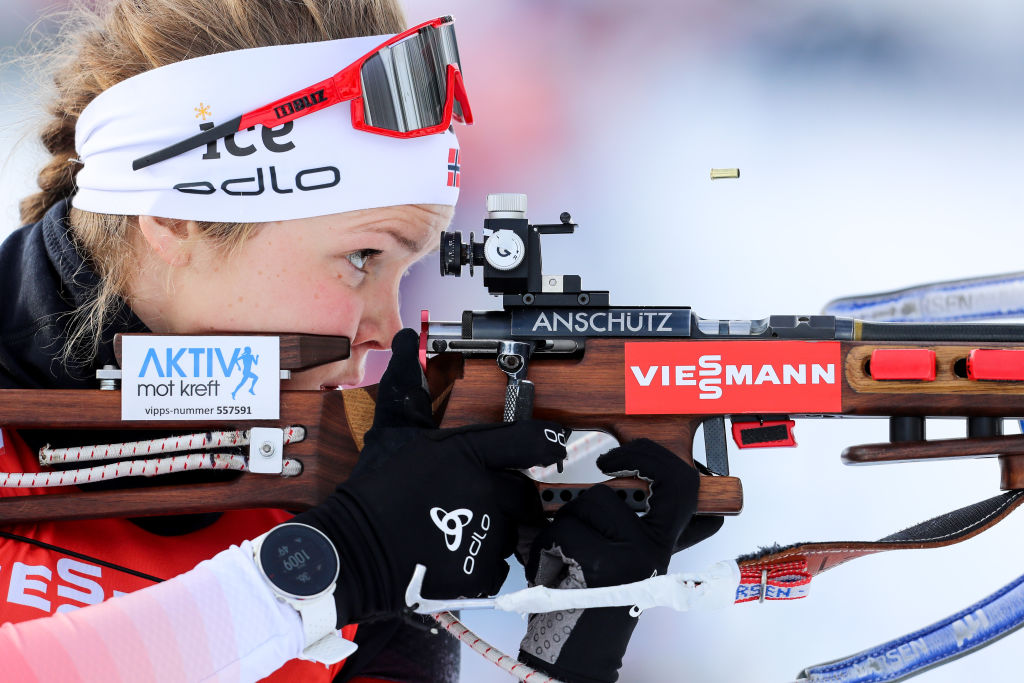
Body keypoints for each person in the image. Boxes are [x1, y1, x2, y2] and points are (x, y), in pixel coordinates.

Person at [0, 1, 713, 680]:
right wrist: (320, 568)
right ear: (177, 218)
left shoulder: (329, 476)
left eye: (405, 270)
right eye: (363, 258)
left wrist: (562, 654)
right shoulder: (344, 527)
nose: (387, 328)